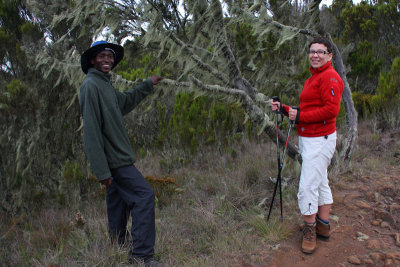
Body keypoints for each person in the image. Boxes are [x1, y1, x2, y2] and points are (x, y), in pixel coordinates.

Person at [79, 40, 164, 266]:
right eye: (102, 56)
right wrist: (102, 170)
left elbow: (124, 102)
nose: (107, 59)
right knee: (144, 197)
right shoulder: (90, 87)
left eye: (110, 56)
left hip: (116, 161)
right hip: (115, 162)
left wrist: (147, 84)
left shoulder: (105, 85)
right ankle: (142, 256)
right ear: (92, 60)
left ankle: (119, 248)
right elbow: (91, 132)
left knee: (118, 204)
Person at [270, 36, 344, 254]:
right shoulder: (313, 78)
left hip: (320, 140)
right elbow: (307, 109)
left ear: (329, 55)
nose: (315, 55)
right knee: (320, 183)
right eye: (312, 51)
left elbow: (332, 111)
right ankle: (323, 226)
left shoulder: (330, 77)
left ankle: (310, 230)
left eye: (320, 52)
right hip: (312, 139)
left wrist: (300, 115)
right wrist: (285, 109)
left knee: (307, 187)